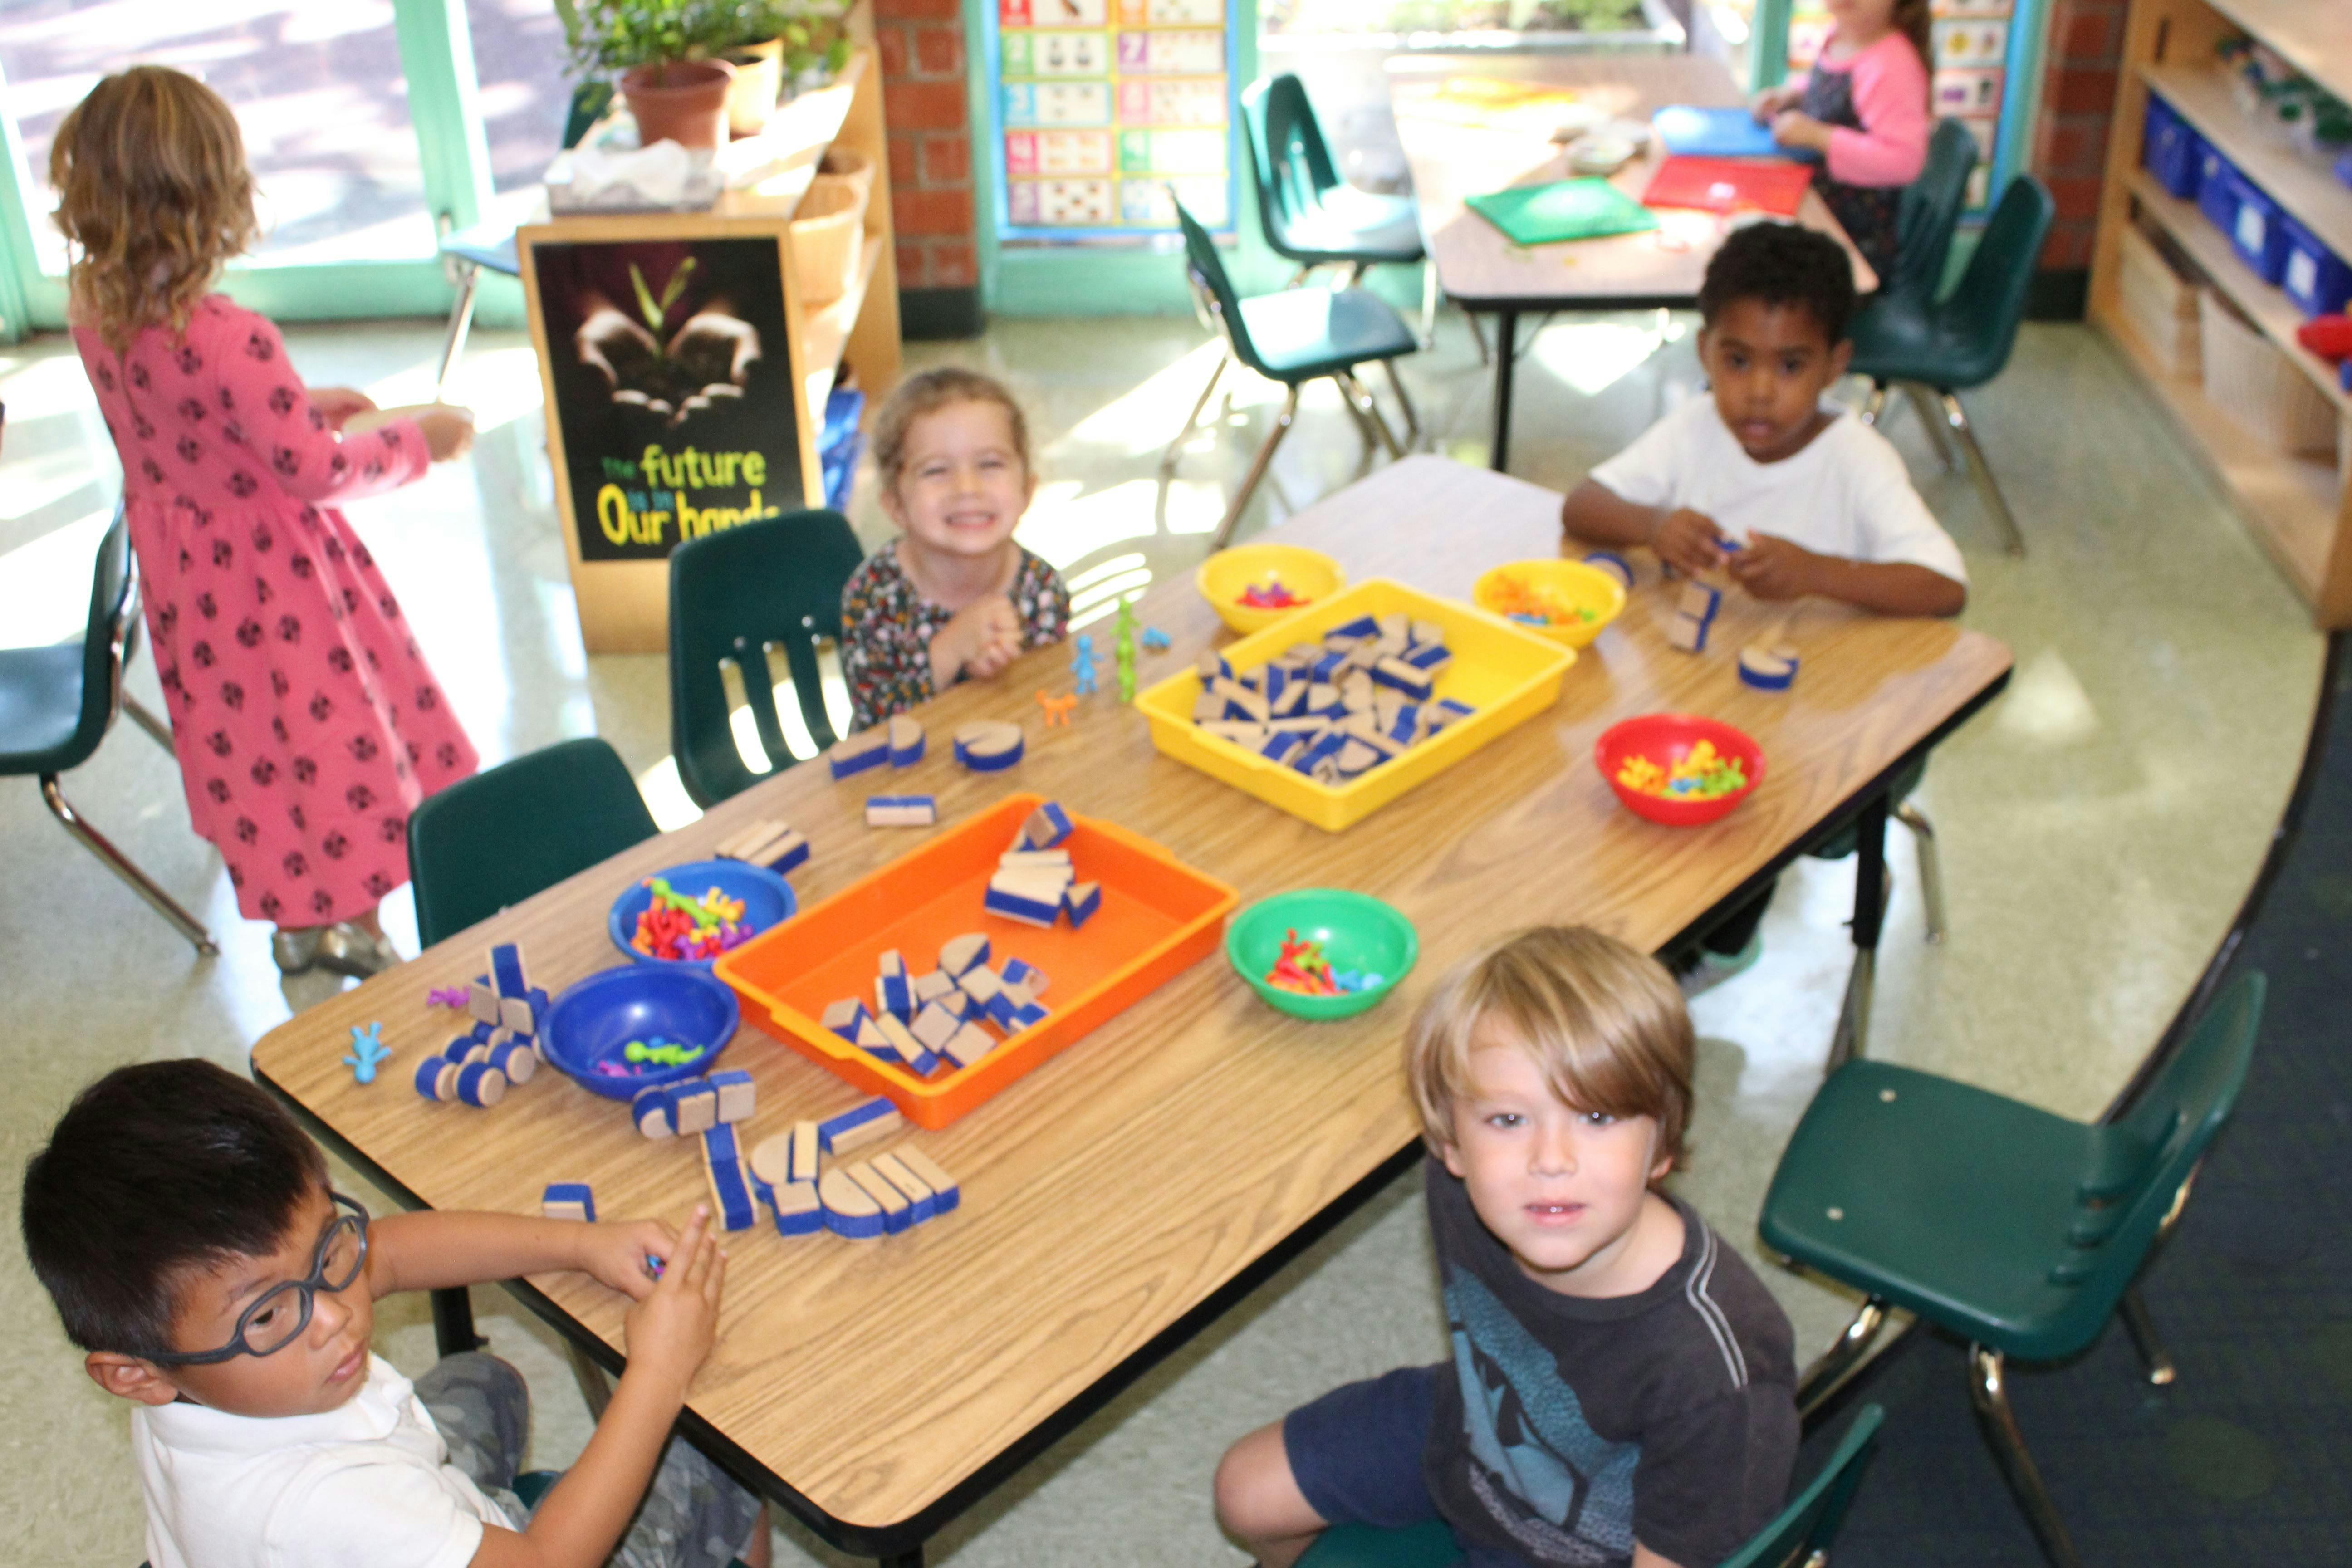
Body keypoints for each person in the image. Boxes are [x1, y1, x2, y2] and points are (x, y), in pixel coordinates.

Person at [54, 66, 481, 977]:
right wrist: (423, 440)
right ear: (212, 198)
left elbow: (182, 425)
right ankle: (355, 926)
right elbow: (315, 470)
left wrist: (302, 399)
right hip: (276, 578)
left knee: (252, 749)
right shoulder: (228, 335)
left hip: (187, 584)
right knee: (332, 744)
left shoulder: (92, 309)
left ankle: (294, 927)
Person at [20, 1059, 768, 1568]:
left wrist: (579, 1243)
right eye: (270, 1317)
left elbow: (394, 1253)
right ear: (133, 1374)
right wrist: (658, 1372)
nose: (334, 1317)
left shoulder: (182, 1357)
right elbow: (547, 1562)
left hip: (389, 1508)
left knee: (486, 1380)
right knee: (718, 1458)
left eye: (325, 1247)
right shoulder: (319, 1504)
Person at [1213, 928, 1799, 1568]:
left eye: (1598, 1118)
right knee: (1245, 1491)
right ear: (1451, 1143)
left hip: (1588, 1553)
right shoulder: (1467, 1190)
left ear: (1664, 1144)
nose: (1551, 1161)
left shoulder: (1714, 1370)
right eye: (1509, 1120)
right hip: (1477, 1423)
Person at [1561, 220, 1967, 621]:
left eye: (1791, 366)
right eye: (1737, 361)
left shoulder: (1858, 457)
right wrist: (1654, 526)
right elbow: (1581, 505)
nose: (1760, 392)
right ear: (1705, 351)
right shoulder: (1698, 425)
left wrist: (1816, 573)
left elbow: (1946, 588)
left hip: (1823, 671)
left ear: (1834, 365)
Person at [839, 367, 1069, 734]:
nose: (967, 487)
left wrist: (997, 671)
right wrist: (951, 650)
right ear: (896, 505)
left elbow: (1048, 696)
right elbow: (878, 724)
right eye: (936, 471)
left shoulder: (1040, 588)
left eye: (990, 464)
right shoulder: (873, 594)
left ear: (1027, 490)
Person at [1750, 0, 1932, 279]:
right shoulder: (1841, 36)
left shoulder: (1892, 63)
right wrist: (1792, 96)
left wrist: (1819, 136)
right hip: (1818, 216)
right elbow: (1837, 94)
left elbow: (1905, 161)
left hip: (1851, 248)